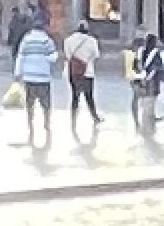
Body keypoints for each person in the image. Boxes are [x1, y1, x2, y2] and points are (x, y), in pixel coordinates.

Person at [14, 14, 58, 145]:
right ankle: (46, 123)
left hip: (29, 77)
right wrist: (44, 60)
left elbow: (20, 57)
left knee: (30, 103)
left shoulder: (26, 40)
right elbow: (53, 57)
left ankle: (30, 124)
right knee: (46, 104)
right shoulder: (47, 40)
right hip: (43, 77)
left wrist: (18, 73)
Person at [62, 22, 103, 134]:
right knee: (89, 96)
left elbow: (67, 55)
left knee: (75, 97)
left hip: (73, 72)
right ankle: (95, 117)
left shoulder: (68, 40)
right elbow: (96, 55)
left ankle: (73, 119)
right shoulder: (92, 41)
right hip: (87, 72)